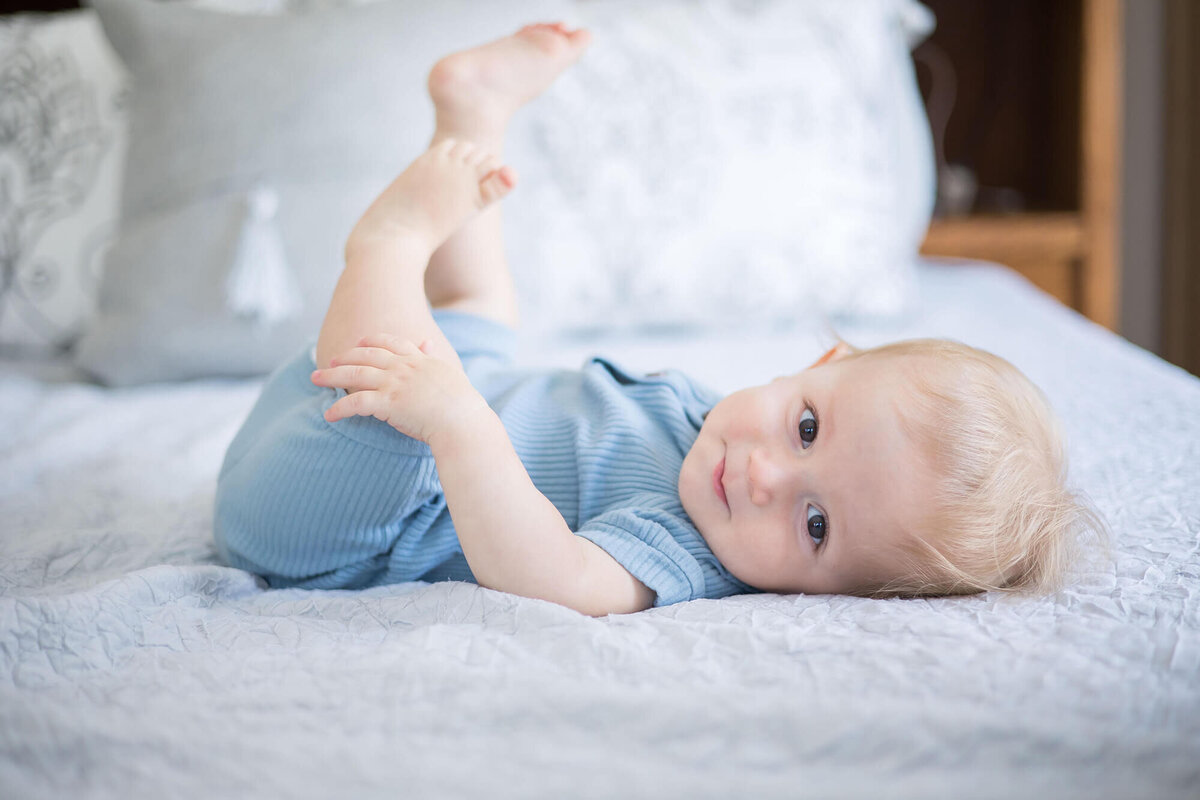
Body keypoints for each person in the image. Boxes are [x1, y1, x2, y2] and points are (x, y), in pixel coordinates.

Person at [213, 23, 1106, 616]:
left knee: (420, 374)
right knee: (484, 313)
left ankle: (390, 243)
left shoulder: (687, 551)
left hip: (330, 515)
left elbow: (556, 580)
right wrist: (457, 392)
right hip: (379, 398)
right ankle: (472, 114)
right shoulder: (714, 432)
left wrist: (455, 421)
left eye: (817, 526)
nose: (763, 478)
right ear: (824, 361)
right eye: (805, 427)